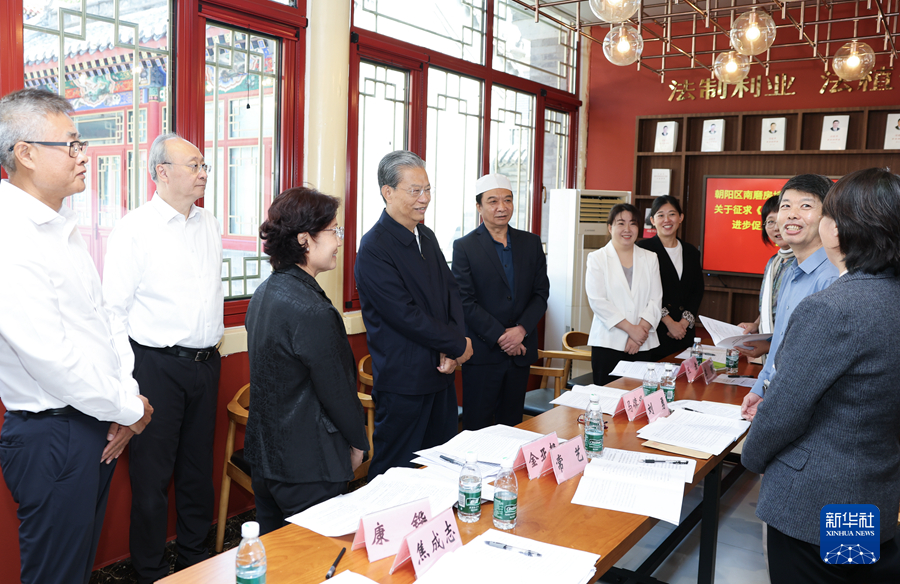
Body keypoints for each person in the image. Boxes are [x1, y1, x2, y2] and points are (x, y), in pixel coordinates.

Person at [0, 88, 152, 584]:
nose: (83, 156)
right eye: (70, 145)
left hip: (93, 420)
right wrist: (127, 408)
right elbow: (52, 358)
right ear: (25, 153)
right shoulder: (12, 236)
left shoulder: (59, 225)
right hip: (53, 433)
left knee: (76, 569)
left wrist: (123, 400)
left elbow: (104, 322)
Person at [742, 168, 900, 583]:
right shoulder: (889, 294)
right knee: (852, 574)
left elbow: (785, 410)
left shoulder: (833, 307)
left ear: (838, 229)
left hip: (814, 501)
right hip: (869, 489)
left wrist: (751, 457)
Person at [103, 133, 223, 582]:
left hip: (206, 364)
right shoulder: (134, 228)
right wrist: (127, 383)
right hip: (156, 367)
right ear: (162, 172)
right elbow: (112, 312)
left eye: (204, 165)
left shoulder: (209, 223)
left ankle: (195, 560)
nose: (203, 173)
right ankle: (150, 570)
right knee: (152, 478)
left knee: (197, 470)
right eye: (194, 165)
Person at [245, 187, 368, 535]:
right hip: (308, 465)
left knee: (277, 556)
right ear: (304, 240)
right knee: (318, 557)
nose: (339, 241)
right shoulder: (312, 309)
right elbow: (337, 390)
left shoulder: (264, 293)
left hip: (267, 460)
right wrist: (358, 442)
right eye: (333, 231)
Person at [355, 151, 473, 478]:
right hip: (405, 381)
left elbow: (451, 293)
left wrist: (455, 345)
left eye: (428, 189)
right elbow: (404, 315)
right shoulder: (374, 247)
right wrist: (456, 345)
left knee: (440, 466)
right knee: (396, 471)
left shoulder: (427, 236)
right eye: (415, 191)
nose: (425, 199)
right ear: (388, 192)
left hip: (442, 372)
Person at [451, 173, 549, 430]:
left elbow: (541, 293)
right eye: (492, 201)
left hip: (521, 352)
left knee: (513, 427)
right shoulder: (465, 247)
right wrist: (502, 337)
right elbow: (464, 301)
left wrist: (521, 330)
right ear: (479, 206)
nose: (501, 207)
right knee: (478, 427)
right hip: (483, 354)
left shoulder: (530, 242)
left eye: (507, 200)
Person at [740, 174, 838, 422]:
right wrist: (760, 389)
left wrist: (775, 406)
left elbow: (816, 368)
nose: (792, 214)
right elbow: (778, 345)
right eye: (786, 206)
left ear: (829, 217)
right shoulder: (791, 272)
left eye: (805, 206)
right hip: (775, 403)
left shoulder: (832, 279)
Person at [586, 203, 662, 385]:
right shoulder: (597, 258)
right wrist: (631, 330)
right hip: (608, 343)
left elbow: (656, 300)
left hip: (643, 343)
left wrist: (639, 335)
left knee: (641, 397)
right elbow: (598, 301)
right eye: (621, 223)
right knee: (608, 398)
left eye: (633, 223)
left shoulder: (650, 258)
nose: (627, 229)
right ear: (610, 227)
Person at [637, 196, 703, 361]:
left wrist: (683, 323)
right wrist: (669, 323)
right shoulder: (642, 250)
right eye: (660, 215)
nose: (667, 220)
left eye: (672, 214)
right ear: (652, 220)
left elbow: (697, 290)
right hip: (655, 333)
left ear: (680, 218)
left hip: (684, 334)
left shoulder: (691, 252)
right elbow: (644, 292)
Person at [736, 195, 794, 362]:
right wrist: (756, 325)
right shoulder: (773, 262)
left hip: (790, 349)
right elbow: (770, 306)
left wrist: (769, 345)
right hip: (771, 348)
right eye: (770, 222)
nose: (776, 228)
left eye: (780, 220)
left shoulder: (802, 262)